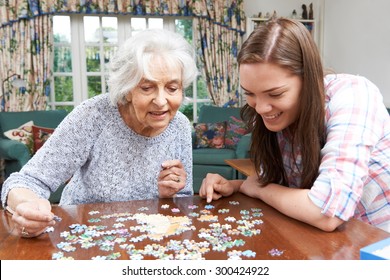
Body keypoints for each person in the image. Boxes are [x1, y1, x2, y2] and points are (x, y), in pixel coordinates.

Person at [1, 29, 198, 238]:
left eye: (172, 88)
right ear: (128, 89)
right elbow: (25, 181)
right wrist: (27, 207)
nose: (161, 100)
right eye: (147, 87)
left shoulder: (180, 126)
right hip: (84, 235)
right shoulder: (94, 115)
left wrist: (170, 193)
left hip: (147, 240)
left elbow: (183, 202)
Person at [199, 17, 390, 233]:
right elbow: (279, 185)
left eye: (275, 93)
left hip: (377, 242)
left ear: (309, 79)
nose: (260, 108)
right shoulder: (282, 117)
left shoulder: (354, 94)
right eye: (250, 93)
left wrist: (259, 190)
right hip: (327, 242)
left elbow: (326, 212)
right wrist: (234, 186)